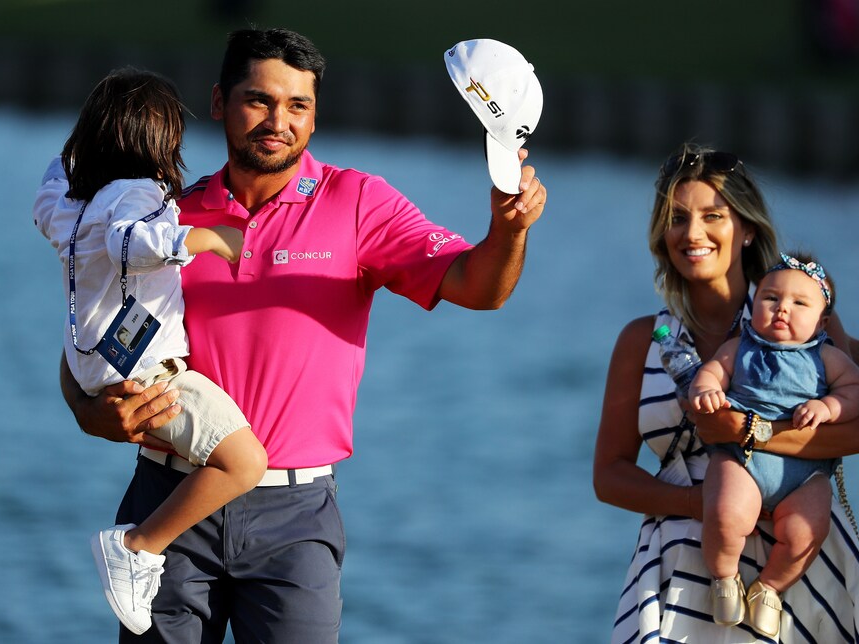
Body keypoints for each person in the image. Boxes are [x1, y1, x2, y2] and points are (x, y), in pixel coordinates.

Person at [55, 28, 547, 643]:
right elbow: (90, 326)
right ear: (219, 103)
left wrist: (509, 230)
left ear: (315, 115)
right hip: (168, 504)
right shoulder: (166, 216)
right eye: (259, 100)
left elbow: (480, 287)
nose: (277, 121)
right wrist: (86, 409)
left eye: (298, 106)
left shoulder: (360, 202)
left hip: (294, 519)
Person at [593, 142, 859, 642]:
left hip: (798, 553)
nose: (693, 233)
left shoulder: (804, 322)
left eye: (713, 216)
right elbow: (609, 476)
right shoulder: (642, 339)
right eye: (677, 218)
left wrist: (748, 431)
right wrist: (696, 503)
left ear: (746, 229)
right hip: (681, 564)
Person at [33, 68, 268, 635]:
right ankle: (138, 545)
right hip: (150, 373)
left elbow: (45, 199)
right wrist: (210, 239)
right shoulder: (137, 193)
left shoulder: (74, 204)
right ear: (156, 142)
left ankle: (149, 541)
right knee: (246, 462)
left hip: (96, 367)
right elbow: (129, 242)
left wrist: (74, 153)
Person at [689, 252, 859, 636]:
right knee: (724, 514)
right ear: (755, 305)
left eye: (799, 303)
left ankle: (770, 587)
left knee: (807, 532)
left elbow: (857, 389)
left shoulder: (827, 356)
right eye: (771, 298)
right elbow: (712, 372)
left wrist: (829, 405)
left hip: (804, 474)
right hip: (743, 459)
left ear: (822, 321)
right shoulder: (740, 346)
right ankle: (724, 577)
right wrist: (706, 389)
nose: (782, 309)